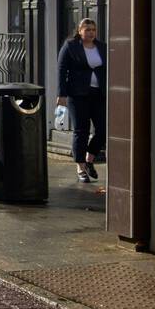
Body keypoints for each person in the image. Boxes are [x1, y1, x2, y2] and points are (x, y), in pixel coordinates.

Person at [56, 17, 106, 184]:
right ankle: (80, 166)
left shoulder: (102, 47)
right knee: (81, 130)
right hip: (77, 95)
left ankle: (90, 159)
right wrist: (61, 94)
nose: (91, 33)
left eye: (93, 30)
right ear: (80, 31)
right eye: (87, 30)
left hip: (98, 94)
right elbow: (61, 70)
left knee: (102, 130)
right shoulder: (70, 46)